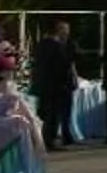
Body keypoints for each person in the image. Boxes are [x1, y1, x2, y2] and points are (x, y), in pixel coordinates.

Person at [31, 21, 79, 149]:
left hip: (44, 85)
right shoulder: (56, 47)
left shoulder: (41, 45)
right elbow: (62, 66)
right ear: (59, 31)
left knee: (45, 113)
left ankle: (44, 139)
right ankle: (49, 140)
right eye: (65, 30)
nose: (67, 33)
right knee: (53, 114)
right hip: (55, 86)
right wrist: (67, 80)